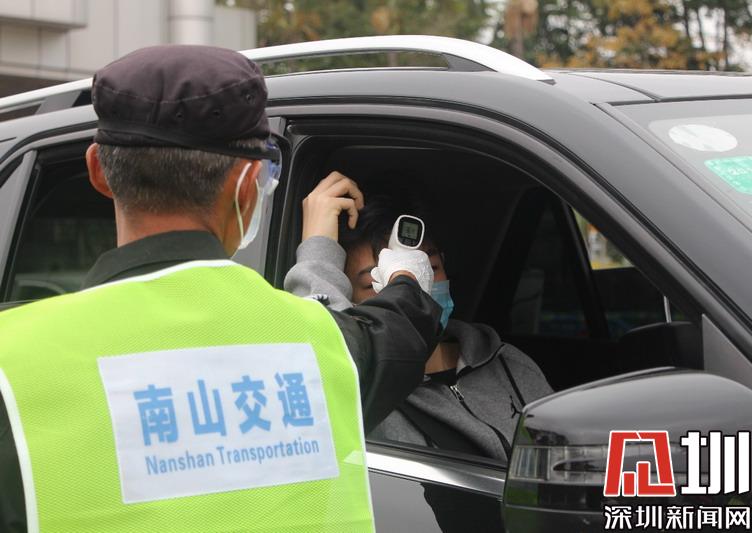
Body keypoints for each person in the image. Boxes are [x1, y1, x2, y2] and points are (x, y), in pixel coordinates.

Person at [0, 46, 442, 533]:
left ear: (98, 171)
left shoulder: (12, 363)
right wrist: (405, 275)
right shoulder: (326, 350)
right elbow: (403, 325)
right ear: (250, 183)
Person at [286, 174, 553, 461]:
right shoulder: (368, 395)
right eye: (378, 281)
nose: (416, 290)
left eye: (428, 268)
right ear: (348, 300)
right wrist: (318, 252)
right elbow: (319, 365)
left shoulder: (508, 363)